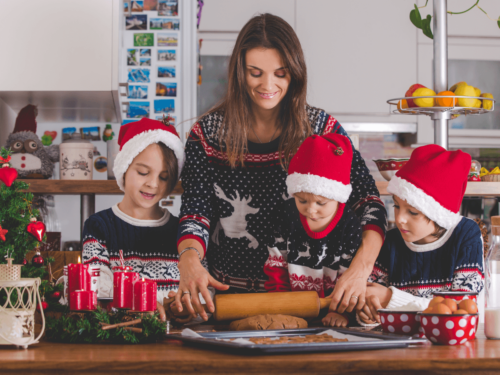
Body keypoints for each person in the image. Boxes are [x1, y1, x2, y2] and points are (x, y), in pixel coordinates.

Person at [175, 13, 387, 321]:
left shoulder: (322, 130)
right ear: (239, 73)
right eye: (255, 73)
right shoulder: (207, 134)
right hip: (230, 302)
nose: (268, 84)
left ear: (296, 73)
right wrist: (189, 260)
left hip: (310, 304)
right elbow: (196, 209)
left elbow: (369, 203)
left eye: (280, 73)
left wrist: (360, 270)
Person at [360, 145, 485, 324]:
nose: (400, 219)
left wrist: (391, 298)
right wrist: (366, 314)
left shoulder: (466, 234)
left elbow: (461, 310)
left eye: (412, 212)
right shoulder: (391, 241)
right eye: (396, 206)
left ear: (437, 213)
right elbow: (370, 297)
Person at [82, 118, 189, 311]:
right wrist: (141, 303)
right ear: (124, 168)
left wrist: (188, 309)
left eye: (163, 177)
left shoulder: (182, 231)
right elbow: (95, 289)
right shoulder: (98, 226)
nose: (153, 184)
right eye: (142, 172)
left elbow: (197, 290)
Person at [263, 133, 362, 327]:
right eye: (302, 200)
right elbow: (277, 268)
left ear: (338, 196)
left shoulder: (349, 226)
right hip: (290, 312)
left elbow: (349, 281)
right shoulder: (284, 216)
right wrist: (281, 307)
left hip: (334, 314)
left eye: (321, 202)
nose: (311, 209)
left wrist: (341, 314)